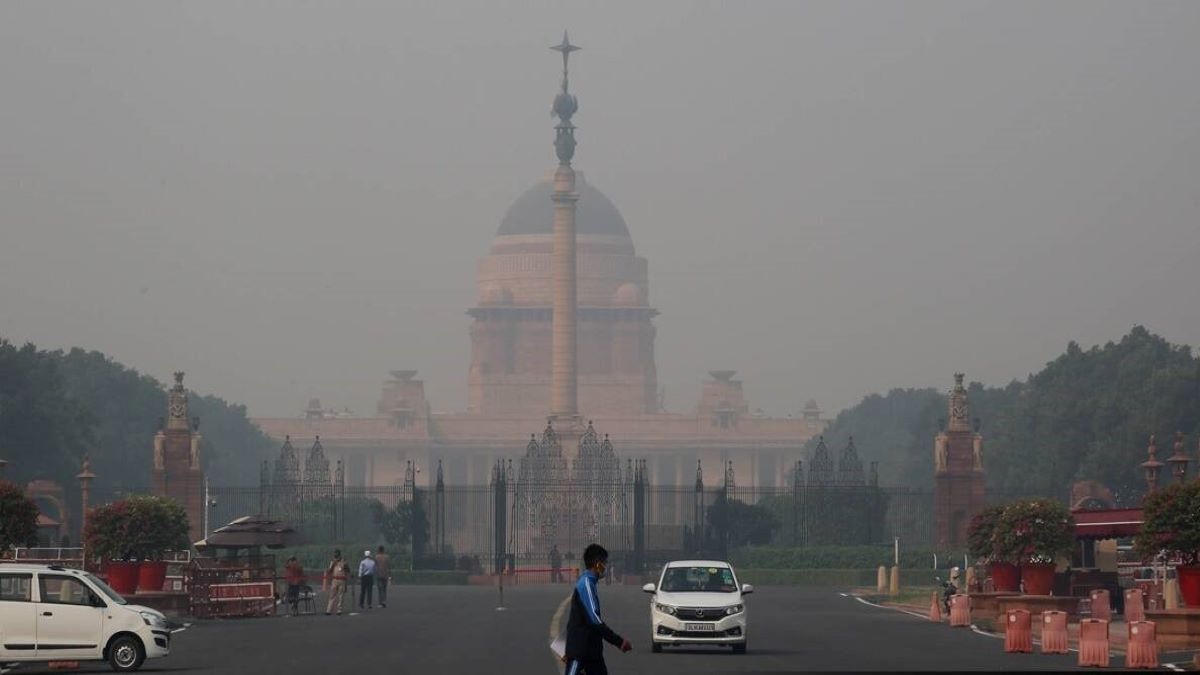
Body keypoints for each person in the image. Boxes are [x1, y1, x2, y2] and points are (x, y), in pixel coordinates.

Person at [563, 543, 631, 675]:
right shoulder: (586, 585)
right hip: (580, 654)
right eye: (604, 563)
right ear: (597, 563)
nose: (606, 566)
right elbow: (595, 621)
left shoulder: (590, 583)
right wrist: (619, 642)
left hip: (591, 653)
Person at [324, 549, 349, 616]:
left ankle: (339, 610)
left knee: (341, 596)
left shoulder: (344, 561)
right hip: (335, 580)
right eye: (335, 555)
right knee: (332, 595)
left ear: (340, 555)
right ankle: (328, 610)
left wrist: (345, 565)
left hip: (342, 580)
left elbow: (348, 570)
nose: (336, 557)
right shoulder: (332, 561)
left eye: (337, 555)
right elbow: (329, 571)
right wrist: (333, 564)